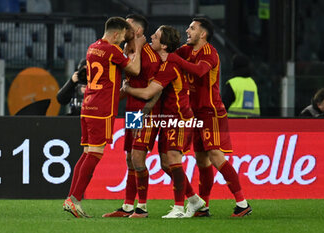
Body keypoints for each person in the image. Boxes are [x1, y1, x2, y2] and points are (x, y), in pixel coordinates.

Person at [167, 17, 252, 217]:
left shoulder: (210, 53)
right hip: (195, 113)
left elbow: (198, 71)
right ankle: (203, 206)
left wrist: (174, 59)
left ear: (203, 34)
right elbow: (169, 58)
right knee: (202, 161)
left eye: (192, 28)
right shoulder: (187, 51)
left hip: (211, 112)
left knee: (215, 155)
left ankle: (242, 203)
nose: (187, 30)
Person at [62, 16, 145, 218]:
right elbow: (135, 70)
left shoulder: (93, 47)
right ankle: (75, 199)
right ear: (116, 34)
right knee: (113, 155)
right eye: (123, 36)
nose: (125, 40)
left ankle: (128, 205)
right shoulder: (114, 50)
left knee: (92, 153)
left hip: (89, 106)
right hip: (109, 109)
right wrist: (139, 48)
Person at [123, 25, 205, 218]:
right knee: (146, 161)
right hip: (143, 113)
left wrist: (127, 91)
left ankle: (149, 208)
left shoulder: (163, 62)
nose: (152, 36)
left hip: (167, 116)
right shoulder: (137, 51)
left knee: (145, 158)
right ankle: (193, 200)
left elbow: (150, 92)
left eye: (156, 36)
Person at [102, 14, 165, 219]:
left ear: (137, 31)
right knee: (130, 158)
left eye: (127, 25)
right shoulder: (125, 51)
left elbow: (157, 90)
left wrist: (145, 113)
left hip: (146, 111)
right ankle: (128, 206)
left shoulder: (149, 55)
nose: (122, 27)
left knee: (138, 157)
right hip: (132, 111)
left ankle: (143, 208)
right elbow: (126, 87)